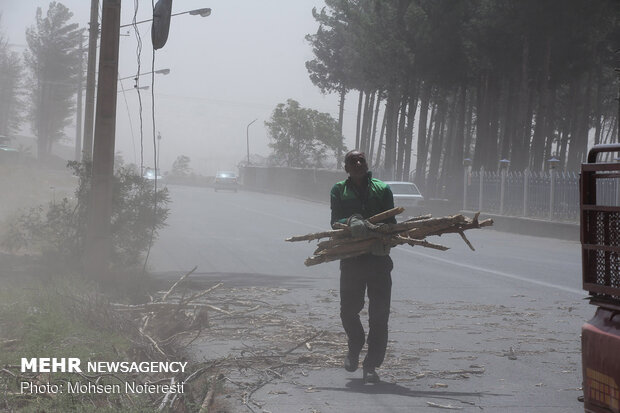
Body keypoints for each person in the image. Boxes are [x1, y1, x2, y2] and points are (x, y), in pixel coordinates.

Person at [330, 149, 396, 383]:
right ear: (346, 167)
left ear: (367, 164)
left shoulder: (382, 189)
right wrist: (349, 221)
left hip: (378, 260)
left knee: (380, 315)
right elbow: (334, 221)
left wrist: (384, 238)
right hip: (351, 260)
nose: (358, 163)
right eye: (352, 161)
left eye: (362, 160)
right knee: (348, 310)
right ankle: (355, 344)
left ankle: (371, 364)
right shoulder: (339, 190)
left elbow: (392, 223)